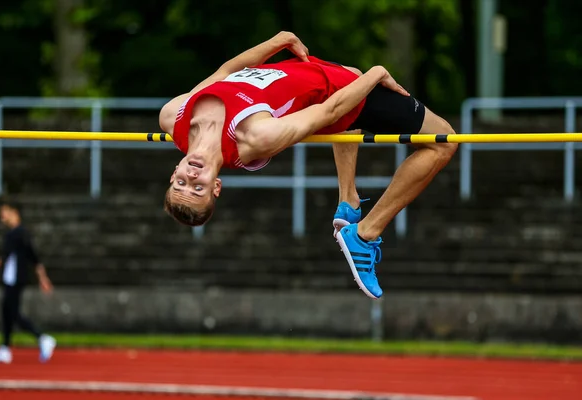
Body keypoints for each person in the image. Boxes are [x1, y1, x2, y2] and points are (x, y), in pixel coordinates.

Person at [159, 31, 457, 299]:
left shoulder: (173, 116)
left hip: (300, 69)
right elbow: (331, 110)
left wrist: (276, 42)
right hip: (336, 91)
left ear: (174, 173)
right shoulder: (255, 138)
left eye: (182, 181)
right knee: (444, 141)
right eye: (198, 187)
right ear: (216, 186)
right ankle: (365, 234)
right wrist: (375, 74)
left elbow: (225, 72)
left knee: (350, 72)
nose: (192, 175)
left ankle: (348, 201)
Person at [0, 200, 56, 363]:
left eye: (5, 211)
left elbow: (3, 258)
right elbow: (33, 257)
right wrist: (42, 278)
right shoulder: (21, 233)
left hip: (15, 279)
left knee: (13, 313)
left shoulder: (15, 234)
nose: (2, 216)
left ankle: (42, 338)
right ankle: (5, 348)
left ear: (14, 212)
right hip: (12, 279)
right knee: (6, 311)